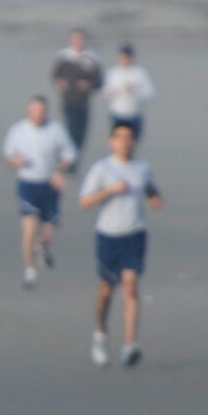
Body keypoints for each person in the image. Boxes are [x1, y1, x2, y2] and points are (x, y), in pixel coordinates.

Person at [78, 121, 162, 367]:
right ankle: (100, 334)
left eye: (129, 137)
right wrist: (111, 191)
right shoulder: (102, 169)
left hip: (135, 234)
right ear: (111, 142)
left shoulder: (142, 167)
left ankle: (129, 344)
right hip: (108, 235)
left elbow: (148, 187)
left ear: (134, 142)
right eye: (119, 137)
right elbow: (84, 202)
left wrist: (154, 197)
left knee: (131, 286)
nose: (124, 142)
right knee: (106, 290)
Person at [2, 95, 79, 287]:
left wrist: (60, 172)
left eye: (42, 111)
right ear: (29, 111)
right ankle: (29, 270)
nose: (38, 114)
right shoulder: (18, 130)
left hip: (50, 185)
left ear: (47, 111)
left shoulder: (56, 130)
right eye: (35, 110)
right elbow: (8, 157)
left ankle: (42, 247)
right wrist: (15, 162)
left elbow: (70, 155)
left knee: (48, 232)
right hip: (28, 184)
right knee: (29, 228)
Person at [50, 28, 103, 151]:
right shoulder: (63, 57)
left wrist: (89, 85)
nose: (78, 42)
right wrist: (60, 82)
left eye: (81, 39)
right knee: (71, 129)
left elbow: (99, 82)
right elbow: (55, 75)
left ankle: (75, 158)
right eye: (76, 39)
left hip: (83, 102)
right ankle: (69, 158)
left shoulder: (91, 59)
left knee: (81, 133)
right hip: (68, 100)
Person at [101, 43, 155, 140]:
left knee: (133, 143)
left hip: (134, 115)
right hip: (117, 114)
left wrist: (135, 91)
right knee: (119, 143)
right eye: (122, 57)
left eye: (127, 57)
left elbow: (150, 93)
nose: (125, 59)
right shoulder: (113, 73)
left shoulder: (139, 73)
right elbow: (104, 92)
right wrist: (111, 92)